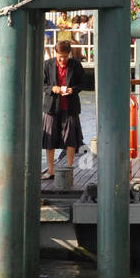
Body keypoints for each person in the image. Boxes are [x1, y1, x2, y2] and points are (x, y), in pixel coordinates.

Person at [43, 39, 84, 178]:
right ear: (55, 53)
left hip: (70, 106)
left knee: (71, 138)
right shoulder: (47, 65)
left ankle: (69, 168)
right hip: (51, 106)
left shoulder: (76, 65)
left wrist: (73, 90)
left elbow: (82, 83)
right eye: (60, 56)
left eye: (65, 56)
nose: (63, 59)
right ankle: (50, 170)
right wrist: (52, 88)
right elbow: (41, 84)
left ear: (69, 54)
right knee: (49, 139)